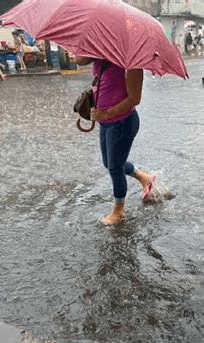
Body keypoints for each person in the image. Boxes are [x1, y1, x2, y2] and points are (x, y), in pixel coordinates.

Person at [74, 56, 157, 225]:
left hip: (122, 122)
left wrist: (106, 113)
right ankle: (145, 177)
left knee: (114, 166)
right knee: (109, 163)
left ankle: (119, 211)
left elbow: (135, 99)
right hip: (105, 123)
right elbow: (79, 61)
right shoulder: (101, 55)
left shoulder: (131, 62)